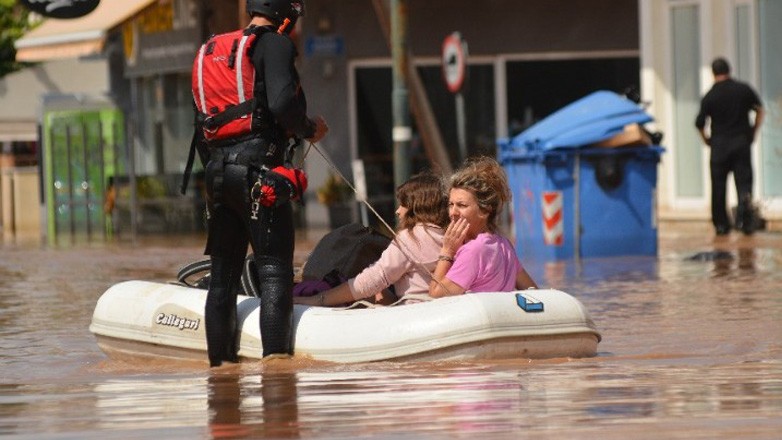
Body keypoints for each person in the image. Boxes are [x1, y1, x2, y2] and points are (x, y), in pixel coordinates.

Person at [194, 0, 328, 367]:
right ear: (285, 15)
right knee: (273, 273)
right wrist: (308, 129)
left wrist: (219, 173)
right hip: (260, 174)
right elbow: (284, 103)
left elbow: (202, 124)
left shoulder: (215, 51)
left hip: (218, 176)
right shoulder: (275, 43)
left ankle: (220, 371)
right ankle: (277, 372)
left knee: (223, 276)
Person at [295, 172, 449, 307]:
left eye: (404, 204)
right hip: (437, 309)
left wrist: (319, 299)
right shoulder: (448, 236)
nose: (397, 211)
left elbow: (371, 280)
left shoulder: (411, 238)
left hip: (413, 314)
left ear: (418, 206)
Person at [429, 157, 537, 298]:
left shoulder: (474, 250)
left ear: (485, 211)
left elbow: (436, 294)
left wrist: (447, 251)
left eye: (462, 205)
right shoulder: (504, 244)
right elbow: (532, 290)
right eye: (451, 204)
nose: (453, 213)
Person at [695, 57, 764, 236]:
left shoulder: (710, 95)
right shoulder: (743, 90)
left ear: (713, 73)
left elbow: (700, 123)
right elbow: (760, 110)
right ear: (729, 70)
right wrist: (753, 131)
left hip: (719, 146)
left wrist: (706, 140)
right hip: (741, 143)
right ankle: (745, 221)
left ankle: (721, 225)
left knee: (718, 187)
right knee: (744, 184)